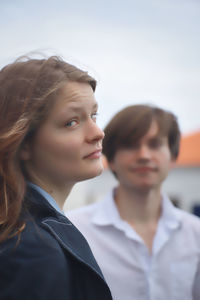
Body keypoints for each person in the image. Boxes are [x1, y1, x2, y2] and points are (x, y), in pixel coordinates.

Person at [0, 55, 113, 300]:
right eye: (72, 122)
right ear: (23, 142)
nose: (98, 133)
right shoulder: (31, 250)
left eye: (94, 115)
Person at [67, 104, 200, 300]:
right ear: (110, 159)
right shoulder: (73, 232)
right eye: (131, 145)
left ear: (172, 156)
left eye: (155, 145)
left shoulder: (195, 233)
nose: (144, 156)